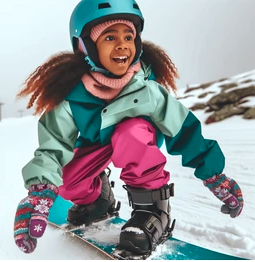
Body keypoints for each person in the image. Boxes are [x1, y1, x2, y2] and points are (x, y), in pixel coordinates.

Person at [14, 0, 244, 257]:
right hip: (97, 145)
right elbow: (54, 145)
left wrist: (214, 174)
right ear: (85, 46)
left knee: (131, 132)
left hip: (137, 141)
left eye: (129, 36)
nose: (122, 44)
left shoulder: (147, 89)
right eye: (109, 36)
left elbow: (183, 129)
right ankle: (97, 199)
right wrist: (40, 191)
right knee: (68, 182)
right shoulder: (71, 96)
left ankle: (153, 212)